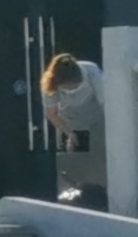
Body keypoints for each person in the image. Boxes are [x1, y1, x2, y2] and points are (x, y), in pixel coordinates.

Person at [43, 50, 107, 204]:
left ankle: (102, 197)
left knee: (101, 159)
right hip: (72, 122)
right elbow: (52, 114)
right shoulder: (50, 84)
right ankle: (74, 199)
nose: (72, 89)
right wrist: (69, 133)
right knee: (75, 163)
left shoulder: (91, 71)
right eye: (67, 87)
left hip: (98, 117)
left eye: (74, 86)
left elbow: (106, 103)